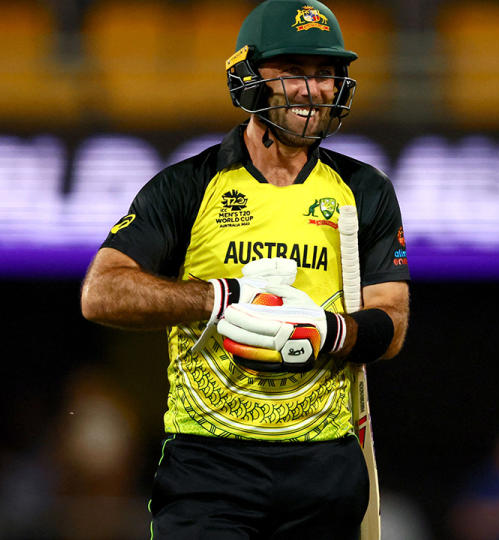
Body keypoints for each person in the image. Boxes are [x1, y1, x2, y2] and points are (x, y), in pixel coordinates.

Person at [80, 1, 410, 538]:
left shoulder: (366, 190)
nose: (312, 90)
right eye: (293, 73)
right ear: (249, 76)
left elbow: (392, 323)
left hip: (325, 462)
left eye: (325, 74)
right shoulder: (188, 185)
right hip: (208, 464)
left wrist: (329, 331)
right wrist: (218, 298)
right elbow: (102, 293)